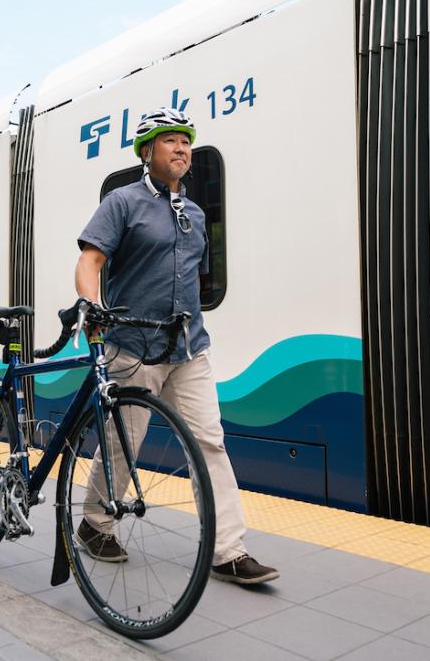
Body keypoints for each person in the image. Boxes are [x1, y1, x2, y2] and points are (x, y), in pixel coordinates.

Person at [73, 107, 279, 584]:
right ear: (148, 152)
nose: (182, 148)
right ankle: (94, 523)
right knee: (124, 444)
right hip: (132, 345)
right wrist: (91, 306)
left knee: (210, 443)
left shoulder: (197, 214)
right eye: (170, 141)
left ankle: (227, 549)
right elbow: (90, 261)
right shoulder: (122, 203)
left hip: (189, 348)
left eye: (186, 141)